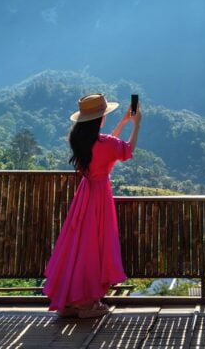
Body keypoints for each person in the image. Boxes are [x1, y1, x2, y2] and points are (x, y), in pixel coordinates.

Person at [43, 93, 141, 318]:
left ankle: (68, 301)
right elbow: (126, 150)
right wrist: (137, 123)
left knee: (77, 245)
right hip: (99, 198)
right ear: (100, 119)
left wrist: (124, 122)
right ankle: (86, 304)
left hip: (84, 196)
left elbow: (107, 148)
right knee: (93, 246)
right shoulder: (105, 143)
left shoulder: (81, 141)